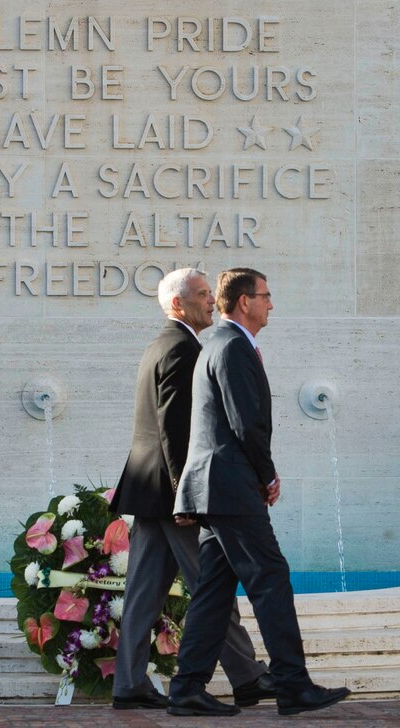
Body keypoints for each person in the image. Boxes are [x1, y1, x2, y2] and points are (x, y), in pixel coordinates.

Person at [167, 268, 351, 717]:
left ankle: (187, 687)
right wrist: (267, 476)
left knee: (213, 590)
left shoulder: (218, 344)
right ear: (244, 301)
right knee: (271, 578)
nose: (271, 304)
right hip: (229, 488)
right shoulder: (231, 346)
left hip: (217, 488)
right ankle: (292, 684)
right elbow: (245, 422)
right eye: (265, 296)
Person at [110, 268, 273, 711]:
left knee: (143, 594)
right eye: (202, 295)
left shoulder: (160, 344)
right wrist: (187, 492)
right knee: (213, 587)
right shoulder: (184, 349)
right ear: (178, 304)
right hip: (172, 494)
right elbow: (174, 429)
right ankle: (248, 676)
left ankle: (128, 684)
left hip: (147, 490)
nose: (210, 302)